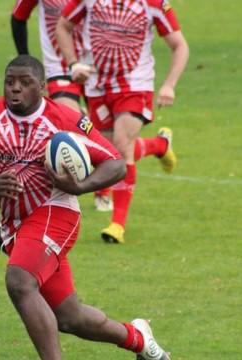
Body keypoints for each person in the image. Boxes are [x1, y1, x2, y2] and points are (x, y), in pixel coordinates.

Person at [0, 55, 171, 360]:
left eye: (25, 83)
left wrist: (80, 187)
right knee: (70, 317)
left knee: (19, 281)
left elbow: (116, 163)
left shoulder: (64, 120)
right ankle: (138, 338)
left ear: (42, 87)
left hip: (56, 212)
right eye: (9, 82)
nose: (15, 89)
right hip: (17, 227)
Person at [56, 0, 189, 243]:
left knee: (120, 144)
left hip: (135, 84)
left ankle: (117, 224)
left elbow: (179, 45)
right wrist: (74, 63)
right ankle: (159, 145)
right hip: (97, 85)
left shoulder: (154, 4)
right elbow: (63, 25)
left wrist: (169, 85)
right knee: (110, 152)